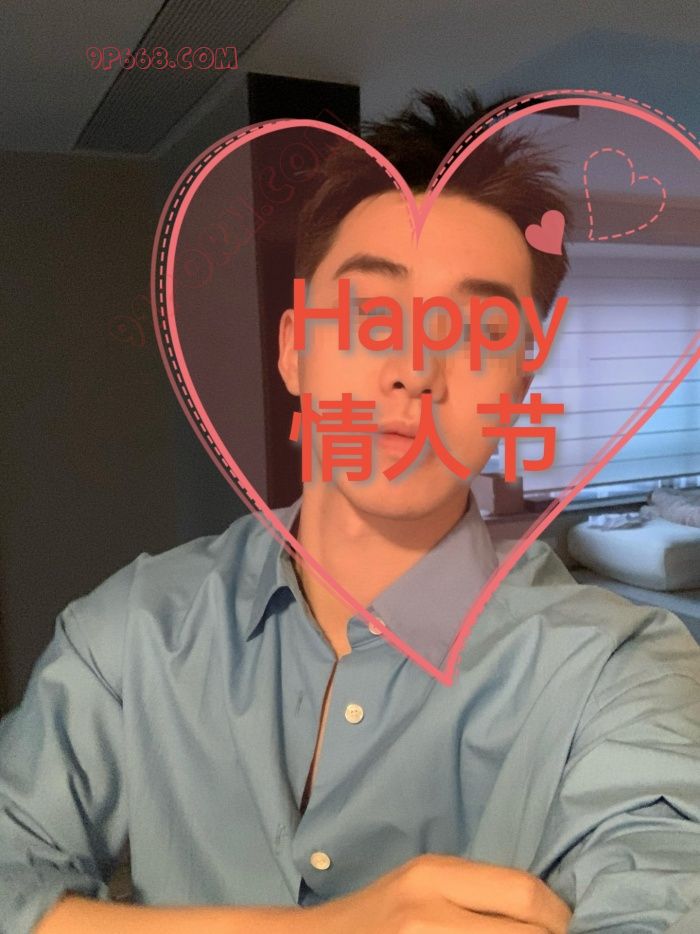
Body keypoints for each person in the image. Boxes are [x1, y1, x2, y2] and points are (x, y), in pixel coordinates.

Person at [2, 89, 699, 934]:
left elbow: (661, 882)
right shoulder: (133, 633)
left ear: (518, 391)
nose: (415, 369)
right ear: (295, 349)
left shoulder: (617, 671)